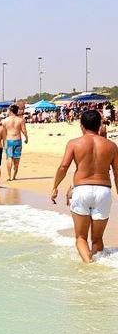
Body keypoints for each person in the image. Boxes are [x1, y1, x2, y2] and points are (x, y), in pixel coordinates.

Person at [51, 109, 118, 263]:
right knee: (97, 239)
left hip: (81, 190)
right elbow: (116, 172)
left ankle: (88, 266)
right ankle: (98, 267)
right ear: (100, 125)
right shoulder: (111, 146)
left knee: (81, 237)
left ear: (81, 126)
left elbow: (63, 167)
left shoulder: (74, 143)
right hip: (104, 191)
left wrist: (55, 187)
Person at [3, 104, 29, 181]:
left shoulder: (5, 120)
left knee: (9, 158)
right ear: (17, 111)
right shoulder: (20, 120)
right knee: (17, 159)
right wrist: (27, 138)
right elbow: (24, 130)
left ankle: (9, 176)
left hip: (9, 140)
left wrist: (3, 141)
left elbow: (3, 132)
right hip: (17, 140)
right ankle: (14, 176)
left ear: (10, 111)